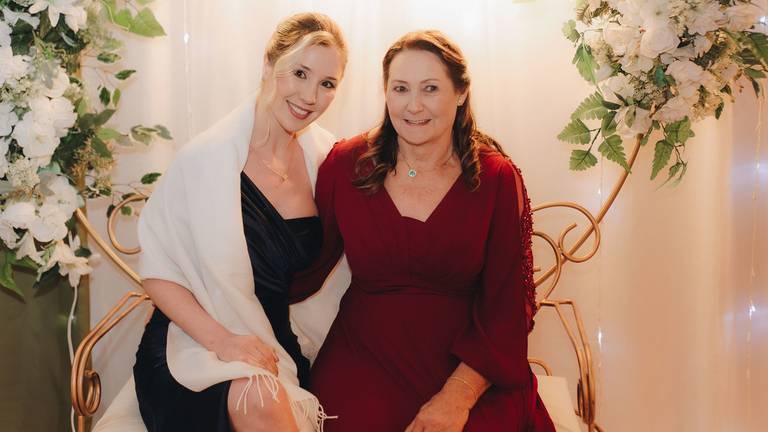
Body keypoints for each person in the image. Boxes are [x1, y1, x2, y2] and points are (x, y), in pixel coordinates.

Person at [291, 30, 556, 431]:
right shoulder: (346, 165)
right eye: (400, 88)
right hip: (364, 361)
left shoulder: (497, 179)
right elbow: (306, 266)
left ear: (461, 93)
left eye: (430, 88)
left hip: (468, 365)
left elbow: (508, 308)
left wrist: (458, 397)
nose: (413, 106)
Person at [133, 13, 347, 432]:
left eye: (327, 84)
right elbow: (158, 273)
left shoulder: (326, 163)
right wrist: (224, 341)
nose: (310, 96)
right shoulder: (204, 159)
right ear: (268, 64)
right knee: (260, 397)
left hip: (270, 340)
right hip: (192, 339)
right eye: (299, 73)